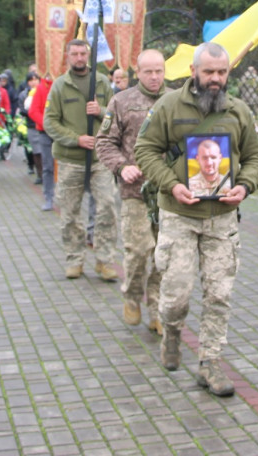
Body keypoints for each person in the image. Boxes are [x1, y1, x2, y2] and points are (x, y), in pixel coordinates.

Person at [134, 41, 258, 398]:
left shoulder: (238, 111)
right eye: (208, 71)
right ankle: (173, 332)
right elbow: (145, 149)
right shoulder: (168, 106)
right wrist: (171, 184)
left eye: (222, 72)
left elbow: (256, 154)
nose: (215, 78)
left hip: (222, 218)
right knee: (176, 293)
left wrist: (245, 185)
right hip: (179, 214)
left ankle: (210, 363)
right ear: (193, 71)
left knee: (219, 294)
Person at [96, 49, 167, 334]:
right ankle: (132, 296)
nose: (154, 77)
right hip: (136, 192)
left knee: (165, 256)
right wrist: (121, 166)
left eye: (159, 71)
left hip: (169, 194)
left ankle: (158, 310)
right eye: (148, 71)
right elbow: (104, 143)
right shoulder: (121, 101)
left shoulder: (176, 101)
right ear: (137, 72)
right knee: (138, 252)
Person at [43, 39, 118, 281]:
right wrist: (76, 139)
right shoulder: (60, 86)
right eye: (74, 54)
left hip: (100, 158)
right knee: (70, 212)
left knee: (107, 207)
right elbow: (50, 123)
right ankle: (74, 259)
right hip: (70, 159)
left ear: (89, 56)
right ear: (67, 56)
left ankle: (105, 260)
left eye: (82, 53)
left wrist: (101, 111)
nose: (78, 58)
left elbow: (117, 117)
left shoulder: (102, 82)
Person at [27, 72, 55, 210]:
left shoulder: (63, 84)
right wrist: (47, 124)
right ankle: (49, 196)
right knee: (47, 166)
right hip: (45, 132)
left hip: (63, 132)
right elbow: (33, 111)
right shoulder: (41, 88)